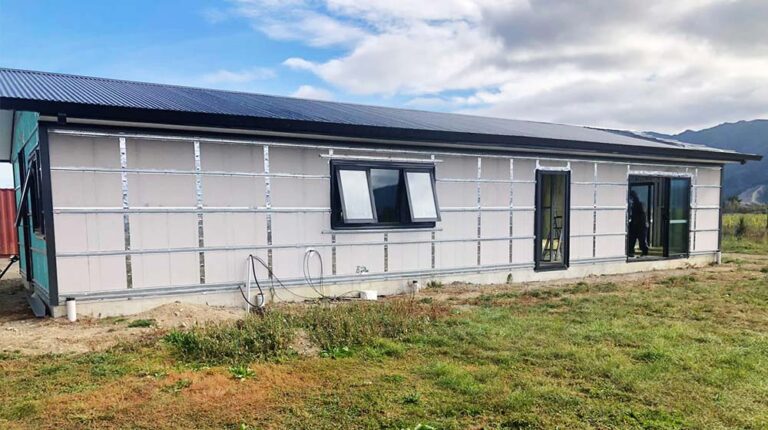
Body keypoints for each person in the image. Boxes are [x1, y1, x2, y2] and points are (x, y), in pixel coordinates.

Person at [627, 191, 649, 257]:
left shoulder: (639, 205)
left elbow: (642, 215)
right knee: (632, 240)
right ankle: (631, 252)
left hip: (640, 226)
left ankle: (644, 252)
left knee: (641, 240)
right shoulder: (634, 205)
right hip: (636, 225)